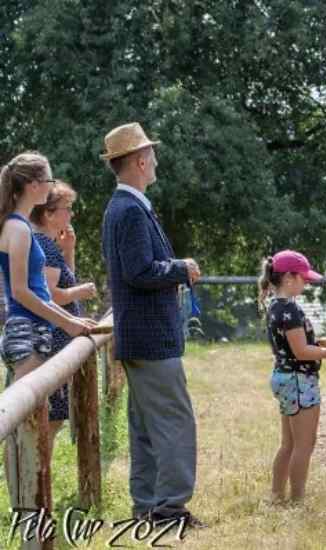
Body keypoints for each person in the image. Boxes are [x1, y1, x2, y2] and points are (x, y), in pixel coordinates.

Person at [100, 122, 203, 527]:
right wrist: (182, 268)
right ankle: (170, 509)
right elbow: (140, 271)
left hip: (139, 337)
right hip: (151, 337)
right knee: (176, 421)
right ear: (140, 161)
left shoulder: (125, 207)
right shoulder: (129, 210)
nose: (156, 161)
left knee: (144, 427)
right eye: (152, 155)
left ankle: (146, 505)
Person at [0, 152, 96, 505]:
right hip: (26, 331)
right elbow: (22, 292)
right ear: (33, 185)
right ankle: (24, 509)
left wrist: (70, 320)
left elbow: (37, 291)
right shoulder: (18, 229)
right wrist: (67, 321)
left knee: (30, 426)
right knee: (22, 428)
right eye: (50, 180)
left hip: (35, 329)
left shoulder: (20, 226)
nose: (53, 187)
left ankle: (26, 506)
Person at [258, 250, 326, 502]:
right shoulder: (290, 309)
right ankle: (297, 502)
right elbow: (302, 351)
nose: (307, 283)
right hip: (299, 381)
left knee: (288, 444)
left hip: (285, 377)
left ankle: (276, 496)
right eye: (304, 279)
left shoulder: (275, 306)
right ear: (290, 278)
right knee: (304, 444)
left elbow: (298, 343)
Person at [30, 180, 97, 450]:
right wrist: (82, 291)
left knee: (51, 421)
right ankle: (36, 482)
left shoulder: (46, 245)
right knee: (50, 421)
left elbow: (61, 284)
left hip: (56, 336)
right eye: (66, 209)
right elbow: (51, 295)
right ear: (47, 213)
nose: (70, 215)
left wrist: (69, 250)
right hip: (54, 339)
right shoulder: (43, 246)